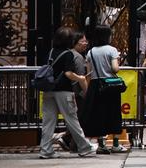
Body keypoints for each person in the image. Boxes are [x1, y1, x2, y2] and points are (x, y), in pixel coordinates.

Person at [40, 27, 95, 158]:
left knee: (48, 121)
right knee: (72, 119)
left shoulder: (50, 52)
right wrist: (80, 78)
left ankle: (46, 150)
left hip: (49, 90)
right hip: (64, 91)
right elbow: (68, 73)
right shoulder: (68, 54)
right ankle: (85, 147)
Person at [82, 25, 124, 153]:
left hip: (95, 85)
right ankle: (115, 144)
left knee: (99, 114)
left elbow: (89, 72)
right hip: (110, 85)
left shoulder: (91, 52)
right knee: (114, 113)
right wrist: (117, 63)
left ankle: (101, 144)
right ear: (107, 36)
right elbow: (115, 68)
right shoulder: (112, 50)